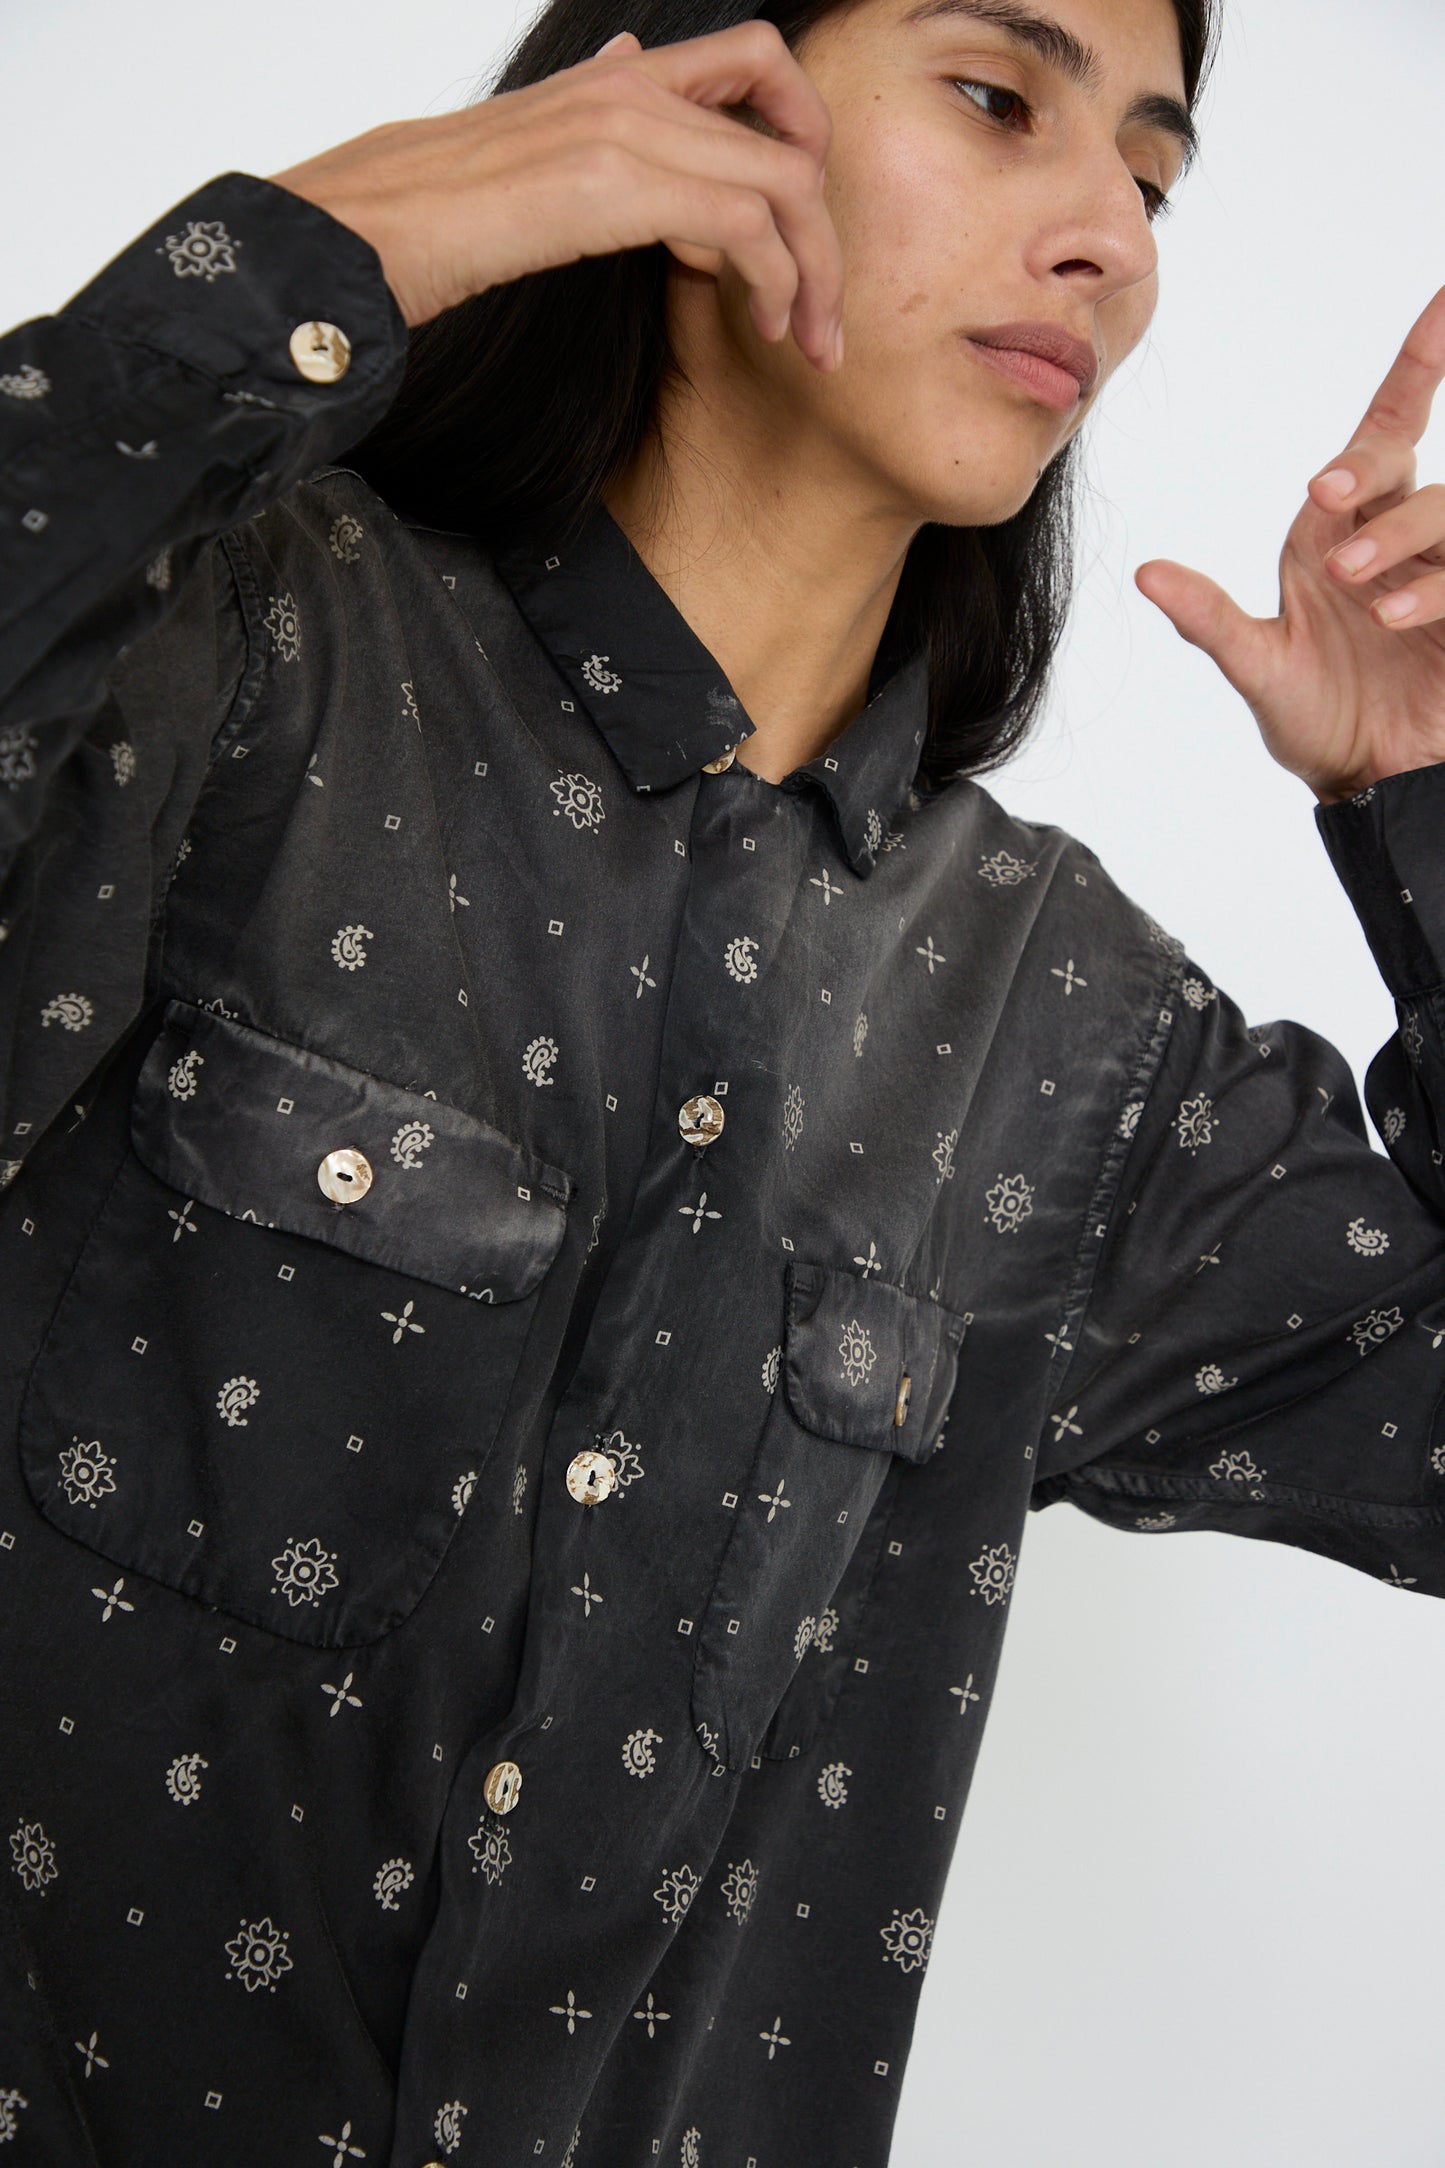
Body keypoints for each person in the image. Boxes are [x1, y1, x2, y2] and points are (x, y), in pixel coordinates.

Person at [3, 0, 1445, 2159]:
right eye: (997, 99)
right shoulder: (243, 662)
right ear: (684, 104)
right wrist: (339, 239)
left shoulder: (1079, 1044)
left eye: (1148, 180)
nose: (1110, 243)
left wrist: (1431, 812)